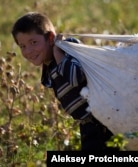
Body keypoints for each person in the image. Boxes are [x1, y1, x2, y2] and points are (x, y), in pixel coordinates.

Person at [11, 12, 118, 151]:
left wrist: (57, 52)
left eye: (33, 42)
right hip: (87, 124)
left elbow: (76, 77)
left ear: (50, 38)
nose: (28, 51)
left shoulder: (68, 50)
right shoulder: (49, 65)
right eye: (23, 46)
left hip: (102, 122)